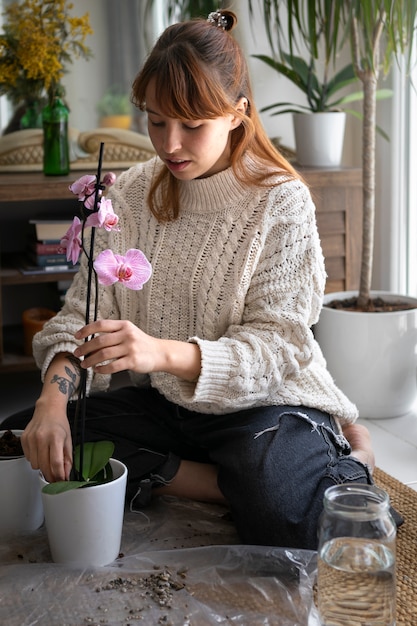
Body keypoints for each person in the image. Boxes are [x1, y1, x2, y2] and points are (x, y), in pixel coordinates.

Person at [3, 9, 374, 550]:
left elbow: (279, 348)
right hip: (173, 410)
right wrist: (51, 405)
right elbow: (79, 317)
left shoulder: (281, 202)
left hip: (266, 406)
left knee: (285, 518)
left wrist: (159, 353)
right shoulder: (129, 195)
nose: (169, 144)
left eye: (192, 125)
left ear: (236, 115)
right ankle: (223, 485)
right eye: (156, 121)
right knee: (22, 441)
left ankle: (352, 458)